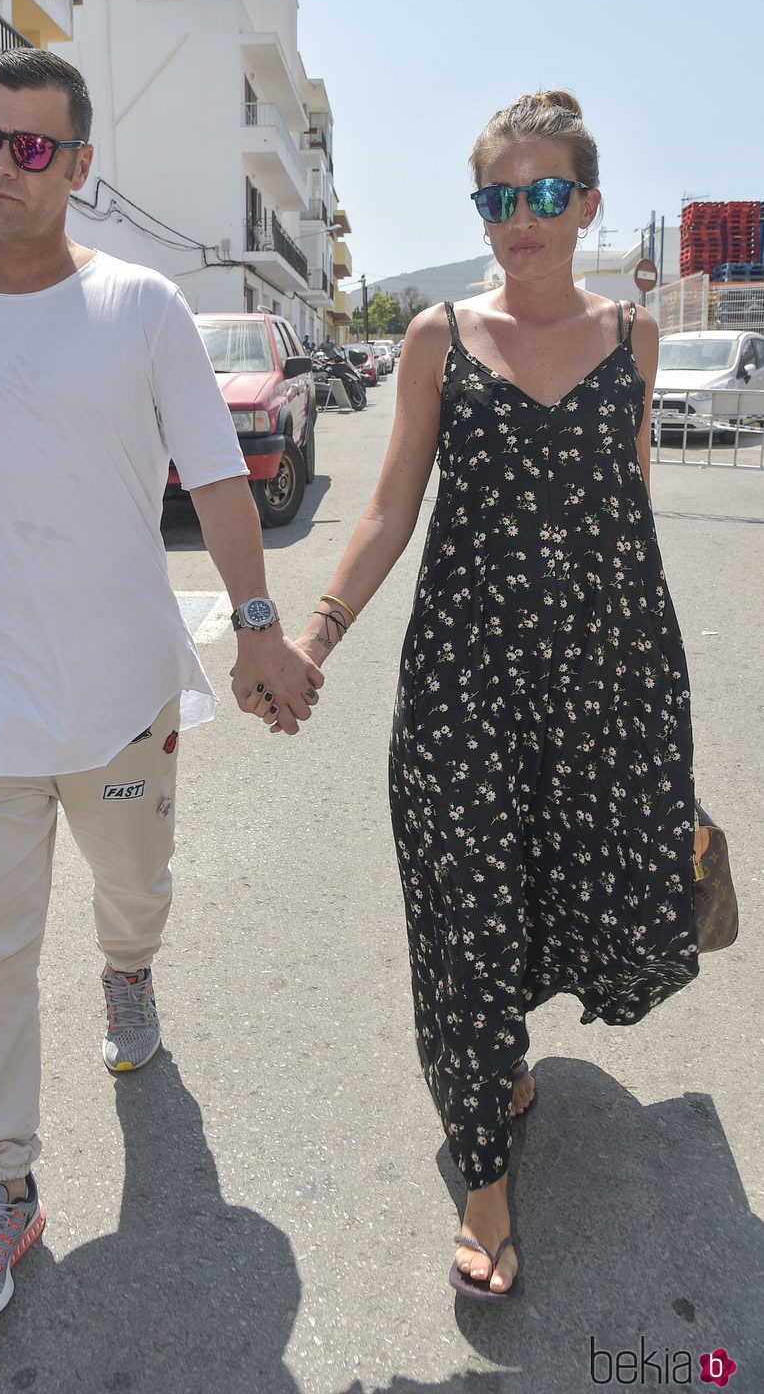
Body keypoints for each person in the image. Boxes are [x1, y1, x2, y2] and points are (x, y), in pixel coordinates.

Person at [0, 47, 324, 1332]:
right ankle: (1, 1184)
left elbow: (218, 475)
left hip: (123, 691)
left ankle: (130, 968)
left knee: (134, 891)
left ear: (74, 167)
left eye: (28, 147)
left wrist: (256, 627)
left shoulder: (139, 308)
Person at [287, 91, 699, 1301]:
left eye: (541, 192)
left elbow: (625, 508)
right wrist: (314, 634)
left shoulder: (633, 336)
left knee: (576, 886)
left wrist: (642, 687)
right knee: (463, 914)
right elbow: (387, 507)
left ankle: (501, 1057)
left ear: (584, 199)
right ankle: (482, 1173)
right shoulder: (432, 336)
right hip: (462, 690)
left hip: (603, 681)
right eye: (494, 197)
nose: (518, 218)